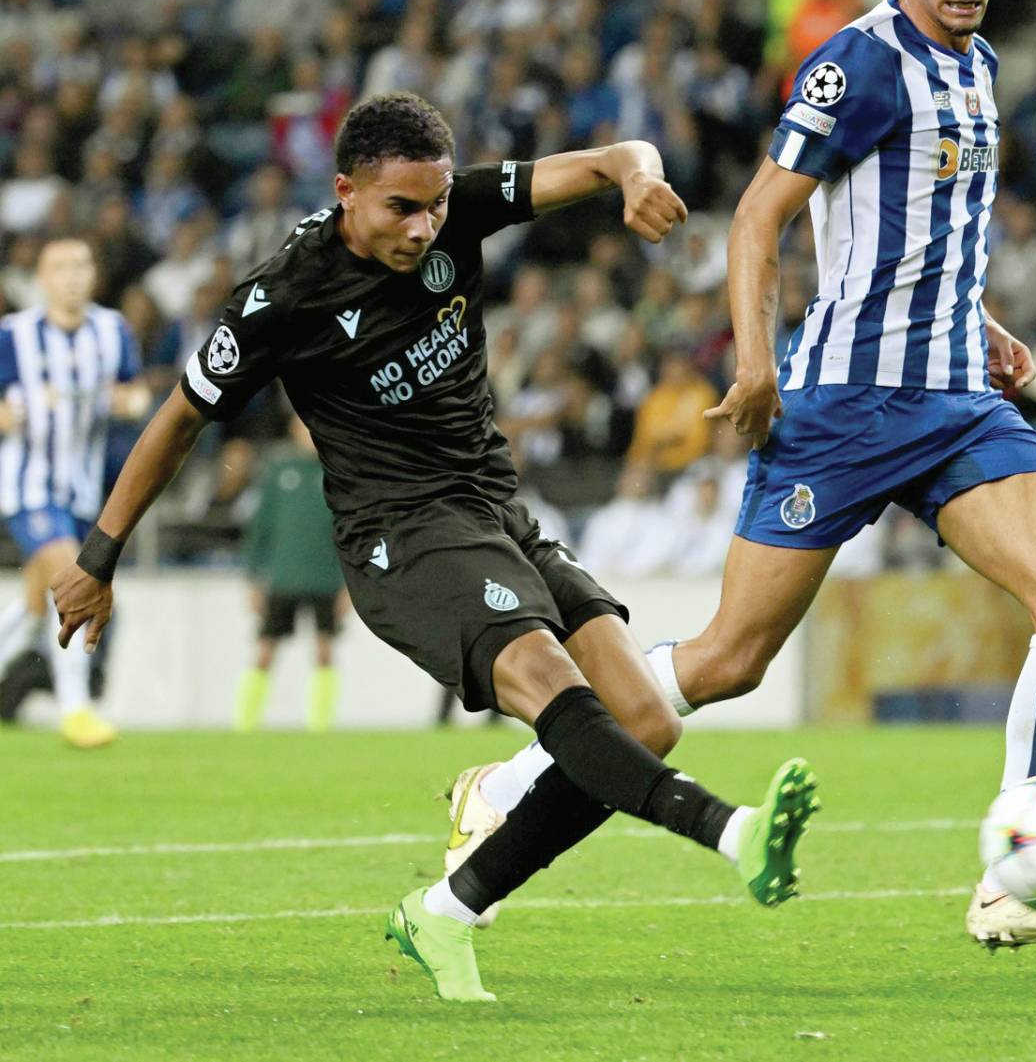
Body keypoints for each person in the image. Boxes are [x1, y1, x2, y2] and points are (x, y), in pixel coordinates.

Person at [51, 94, 821, 1002]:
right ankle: (734, 832)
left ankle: (448, 910)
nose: (425, 228)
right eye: (400, 209)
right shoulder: (283, 295)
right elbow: (181, 416)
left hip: (496, 510)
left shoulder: (460, 206)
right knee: (557, 688)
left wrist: (640, 176)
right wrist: (98, 557)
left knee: (646, 719)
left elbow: (618, 150)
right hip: (402, 535)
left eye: (437, 207)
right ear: (346, 192)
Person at [645, 0, 1036, 949]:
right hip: (843, 405)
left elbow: (927, 224)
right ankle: (523, 768)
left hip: (957, 395)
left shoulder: (982, 64)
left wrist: (987, 319)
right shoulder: (861, 68)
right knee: (730, 659)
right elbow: (755, 222)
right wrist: (756, 359)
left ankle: (1014, 875)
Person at [0, 238, 150, 748]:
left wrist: (129, 402)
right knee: (72, 582)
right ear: (42, 278)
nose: (73, 276)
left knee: (33, 610)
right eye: (61, 267)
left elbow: (135, 391)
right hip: (29, 488)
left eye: (82, 265)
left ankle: (73, 705)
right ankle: (76, 710)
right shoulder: (13, 336)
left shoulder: (111, 330)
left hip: (83, 492)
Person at [233, 414, 348, 732]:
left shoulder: (336, 473)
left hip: (325, 576)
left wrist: (348, 586)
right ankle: (244, 724)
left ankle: (320, 727)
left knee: (324, 650)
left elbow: (349, 534)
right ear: (292, 429)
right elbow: (259, 529)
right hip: (284, 576)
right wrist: (254, 578)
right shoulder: (278, 471)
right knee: (265, 649)